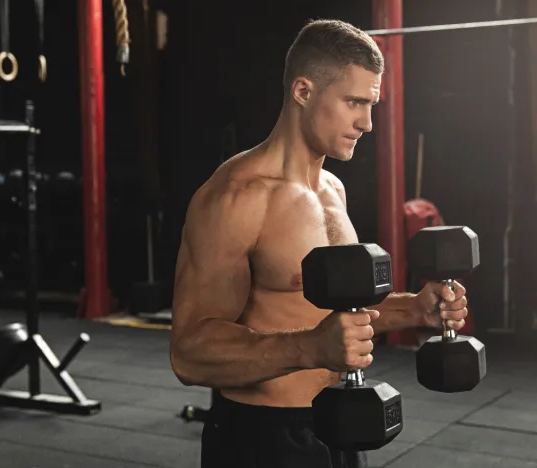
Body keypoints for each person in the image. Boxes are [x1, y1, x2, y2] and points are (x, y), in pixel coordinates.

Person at [169, 19, 468, 468]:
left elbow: (331, 320)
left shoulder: (332, 190)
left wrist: (415, 309)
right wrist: (311, 348)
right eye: (354, 102)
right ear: (303, 91)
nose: (366, 123)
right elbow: (189, 353)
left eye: (371, 105)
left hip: (340, 424)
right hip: (262, 436)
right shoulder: (235, 197)